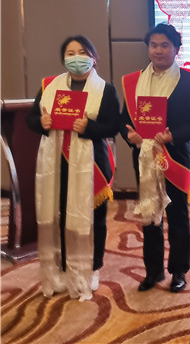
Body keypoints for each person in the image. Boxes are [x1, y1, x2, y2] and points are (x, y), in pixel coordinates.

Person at [27, 35, 120, 301]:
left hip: (93, 163)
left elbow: (113, 126)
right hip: (57, 162)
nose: (76, 58)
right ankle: (65, 267)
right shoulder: (49, 86)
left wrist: (90, 127)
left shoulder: (105, 89)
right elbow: (32, 118)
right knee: (61, 215)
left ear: (94, 58)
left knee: (94, 218)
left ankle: (93, 266)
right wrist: (42, 122)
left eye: (82, 52)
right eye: (70, 53)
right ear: (63, 58)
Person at [120, 23, 190, 293]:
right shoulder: (133, 81)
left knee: (177, 214)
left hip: (174, 156)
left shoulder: (189, 81)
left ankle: (179, 271)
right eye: (154, 45)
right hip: (144, 156)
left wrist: (173, 136)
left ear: (177, 49)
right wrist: (130, 136)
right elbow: (124, 120)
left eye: (165, 45)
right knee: (150, 212)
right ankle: (153, 270)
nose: (158, 51)